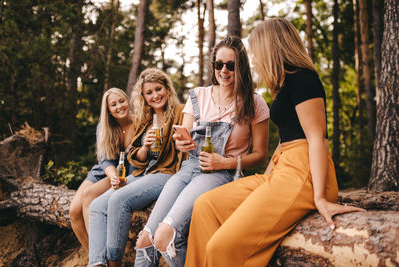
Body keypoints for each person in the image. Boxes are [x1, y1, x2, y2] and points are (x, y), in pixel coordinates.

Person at [184, 18, 365, 267]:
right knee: (205, 205)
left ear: (272, 46)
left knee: (221, 246)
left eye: (257, 51)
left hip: (303, 173)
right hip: (282, 169)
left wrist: (321, 197)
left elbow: (317, 139)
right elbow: (286, 138)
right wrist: (267, 178)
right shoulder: (284, 82)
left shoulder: (304, 79)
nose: (255, 59)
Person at [134, 36, 270, 267]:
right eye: (219, 64)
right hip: (189, 168)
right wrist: (182, 142)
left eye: (231, 65)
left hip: (222, 174)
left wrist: (225, 163)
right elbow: (183, 137)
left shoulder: (254, 103)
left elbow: (260, 156)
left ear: (242, 67)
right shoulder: (198, 95)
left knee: (165, 236)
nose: (223, 71)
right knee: (145, 240)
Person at [88, 68, 186, 267]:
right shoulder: (145, 118)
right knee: (97, 206)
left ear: (167, 88)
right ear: (143, 97)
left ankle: (114, 262)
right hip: (144, 172)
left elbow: (185, 149)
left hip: (167, 172)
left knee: (118, 200)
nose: (155, 95)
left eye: (158, 89)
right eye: (149, 93)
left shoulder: (180, 112)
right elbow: (136, 156)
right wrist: (146, 147)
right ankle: (97, 263)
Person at [69, 87, 134, 252]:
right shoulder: (104, 127)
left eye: (121, 101)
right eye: (114, 104)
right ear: (109, 110)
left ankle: (99, 256)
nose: (119, 106)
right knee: (74, 211)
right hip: (104, 171)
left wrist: (117, 177)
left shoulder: (138, 123)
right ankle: (95, 256)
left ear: (128, 102)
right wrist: (112, 175)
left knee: (88, 196)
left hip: (126, 172)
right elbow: (104, 159)